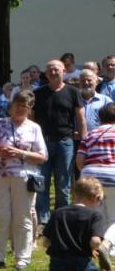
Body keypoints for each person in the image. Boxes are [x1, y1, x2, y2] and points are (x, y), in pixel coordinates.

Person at [0, 90, 47, 271]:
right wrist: (0, 152)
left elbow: (42, 156)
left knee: (22, 217)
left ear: (30, 109)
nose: (20, 109)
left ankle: (23, 257)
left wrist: (20, 153)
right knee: (0, 216)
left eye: (25, 106)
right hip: (0, 175)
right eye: (17, 105)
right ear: (11, 105)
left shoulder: (34, 127)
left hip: (24, 177)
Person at [34, 59, 87, 224]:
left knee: (63, 181)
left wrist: (84, 142)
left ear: (64, 71)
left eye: (56, 69)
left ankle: (62, 216)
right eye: (49, 69)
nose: (53, 72)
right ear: (46, 73)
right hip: (42, 143)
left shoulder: (73, 92)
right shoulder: (38, 93)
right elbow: (33, 119)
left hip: (65, 142)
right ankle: (43, 218)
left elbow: (81, 119)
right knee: (41, 180)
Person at [77, 103, 115, 226]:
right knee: (113, 218)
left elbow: (79, 161)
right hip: (112, 176)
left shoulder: (89, 134)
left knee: (95, 217)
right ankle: (109, 244)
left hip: (91, 177)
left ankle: (96, 242)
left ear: (100, 118)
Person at [81, 68, 113, 133]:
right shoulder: (74, 99)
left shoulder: (105, 100)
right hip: (77, 139)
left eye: (89, 80)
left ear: (97, 82)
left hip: (100, 139)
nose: (86, 83)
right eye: (83, 80)